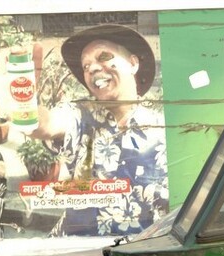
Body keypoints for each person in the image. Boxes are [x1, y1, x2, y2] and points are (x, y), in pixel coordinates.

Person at [30, 24, 168, 237]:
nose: (92, 68)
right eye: (86, 66)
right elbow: (45, 125)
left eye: (103, 56)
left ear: (133, 64)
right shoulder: (80, 115)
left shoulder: (164, 126)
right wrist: (22, 101)